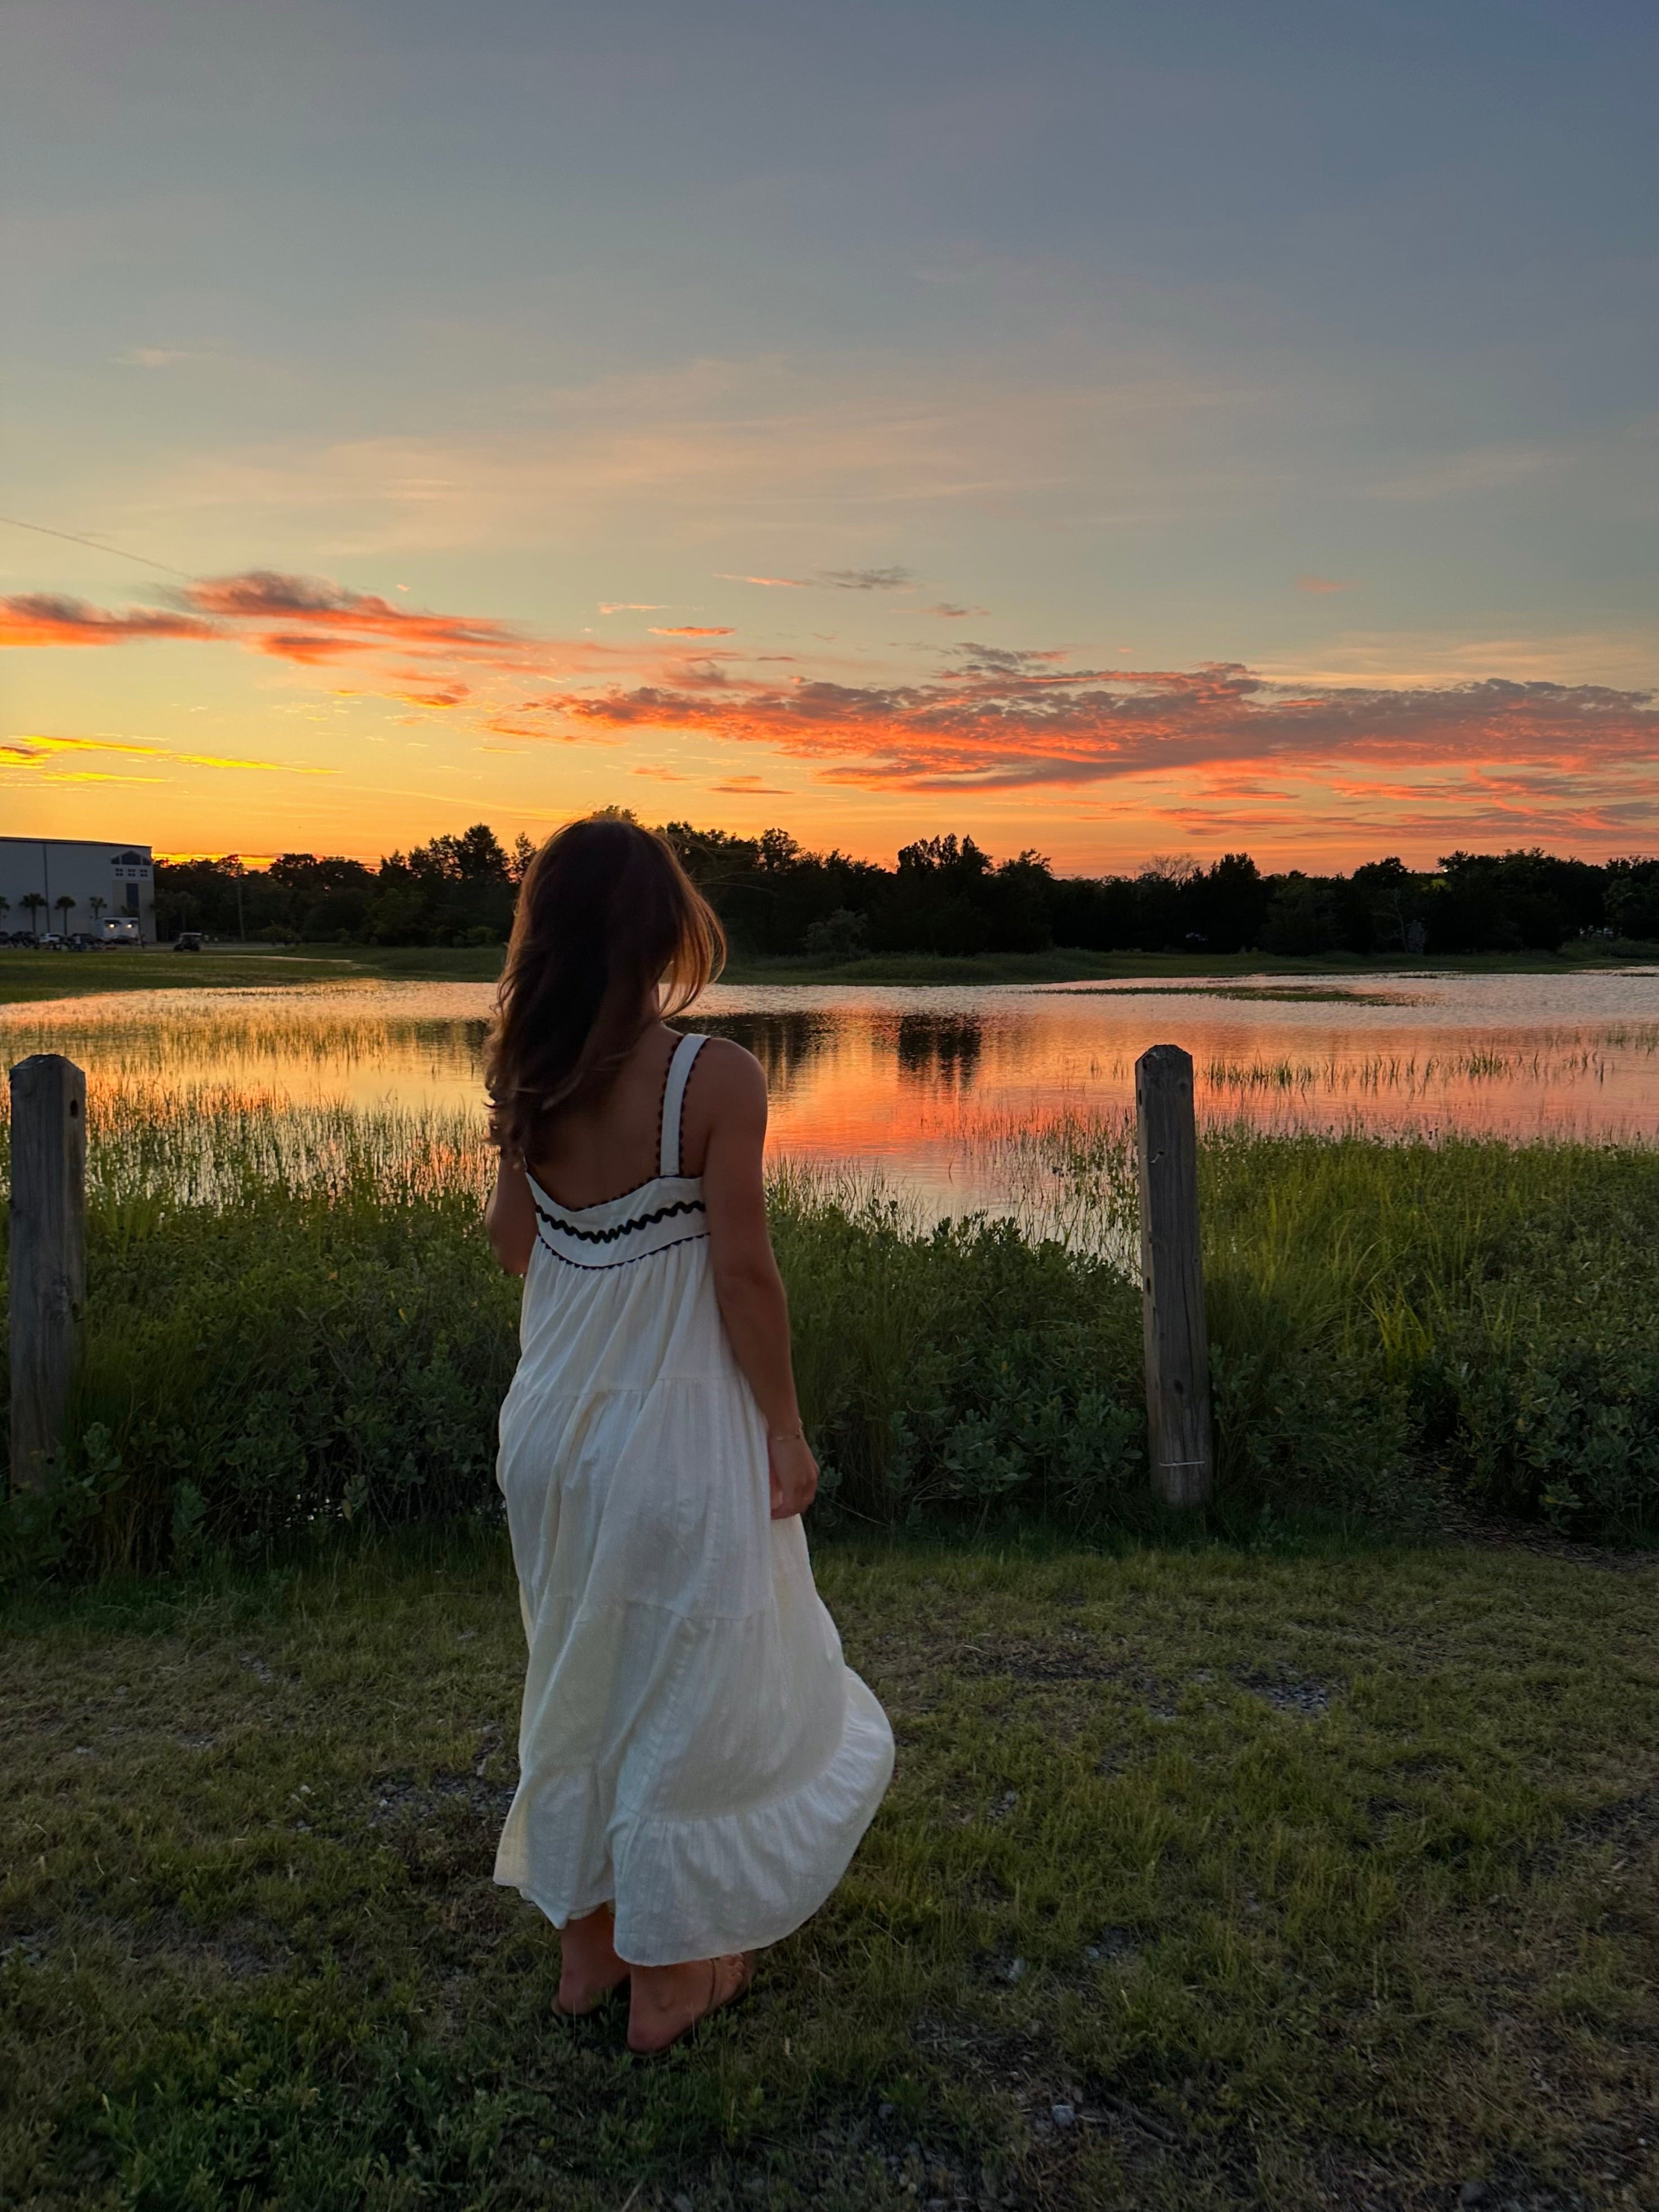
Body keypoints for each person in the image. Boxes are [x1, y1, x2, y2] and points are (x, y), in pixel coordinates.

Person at [483, 816, 894, 2055]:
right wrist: (785, 1427)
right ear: (665, 928)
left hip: (550, 1431)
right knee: (687, 1687)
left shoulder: (522, 1072)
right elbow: (746, 1277)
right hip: (675, 1434)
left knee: (578, 1679)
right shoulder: (712, 1079)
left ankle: (586, 1954)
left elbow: (516, 1243)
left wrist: (602, 1251)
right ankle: (668, 1983)